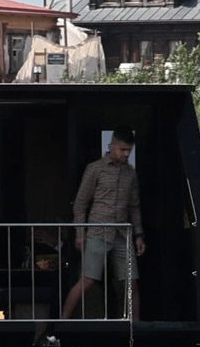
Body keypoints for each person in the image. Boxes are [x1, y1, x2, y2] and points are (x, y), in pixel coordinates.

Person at [61, 128, 146, 320]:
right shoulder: (95, 169)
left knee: (132, 282)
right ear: (112, 146)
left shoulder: (130, 174)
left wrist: (139, 235)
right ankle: (63, 320)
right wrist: (80, 233)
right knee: (88, 280)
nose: (126, 154)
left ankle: (136, 327)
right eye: (122, 149)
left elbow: (134, 206)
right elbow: (81, 204)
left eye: (129, 150)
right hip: (98, 230)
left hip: (123, 233)